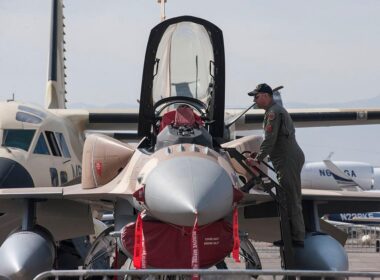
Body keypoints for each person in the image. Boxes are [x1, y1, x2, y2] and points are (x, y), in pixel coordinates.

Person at [248, 83, 306, 247]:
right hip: (285, 159)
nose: (254, 100)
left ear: (266, 96)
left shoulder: (273, 113)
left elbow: (270, 140)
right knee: (287, 197)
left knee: (291, 197)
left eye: (256, 96)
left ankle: (297, 237)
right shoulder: (273, 111)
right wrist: (259, 155)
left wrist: (258, 159)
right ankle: (292, 235)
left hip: (287, 160)